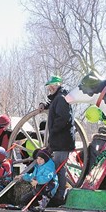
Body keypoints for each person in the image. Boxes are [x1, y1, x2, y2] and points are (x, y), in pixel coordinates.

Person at [38, 75, 75, 204]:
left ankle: (60, 196)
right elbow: (53, 105)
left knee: (59, 168)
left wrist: (52, 130)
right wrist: (44, 105)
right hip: (59, 140)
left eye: (52, 85)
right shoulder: (58, 98)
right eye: (48, 86)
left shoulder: (61, 98)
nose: (50, 88)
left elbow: (64, 118)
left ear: (58, 84)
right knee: (58, 167)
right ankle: (57, 194)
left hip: (62, 140)